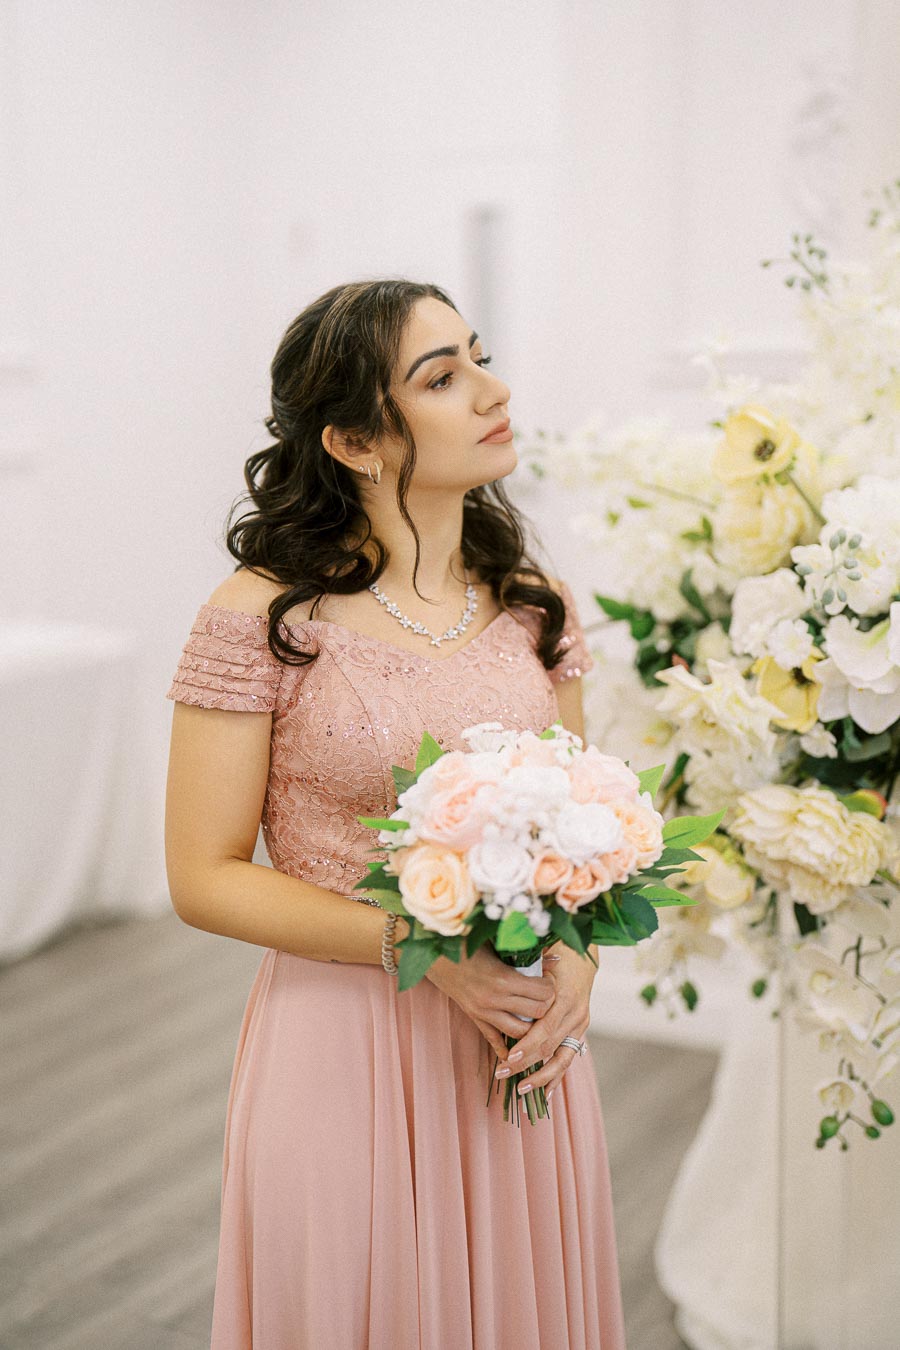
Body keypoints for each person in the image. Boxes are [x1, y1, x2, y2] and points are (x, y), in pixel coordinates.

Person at [164, 278, 627, 1349]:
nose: (491, 389)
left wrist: (580, 973)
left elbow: (582, 828)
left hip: (520, 1042)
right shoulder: (262, 617)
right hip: (343, 1045)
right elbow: (203, 875)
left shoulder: (529, 603)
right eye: (442, 376)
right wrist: (419, 945)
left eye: (478, 355)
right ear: (356, 441)